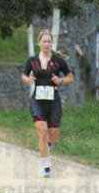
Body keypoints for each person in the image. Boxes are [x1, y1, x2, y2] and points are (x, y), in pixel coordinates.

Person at [22, 29, 74, 178]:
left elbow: (71, 77)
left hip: (53, 102)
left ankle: (48, 146)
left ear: (52, 43)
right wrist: (28, 80)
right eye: (44, 41)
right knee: (42, 133)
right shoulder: (32, 61)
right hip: (37, 100)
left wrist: (61, 80)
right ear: (39, 43)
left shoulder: (59, 61)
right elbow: (24, 75)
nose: (46, 44)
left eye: (49, 41)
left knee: (54, 137)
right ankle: (46, 168)